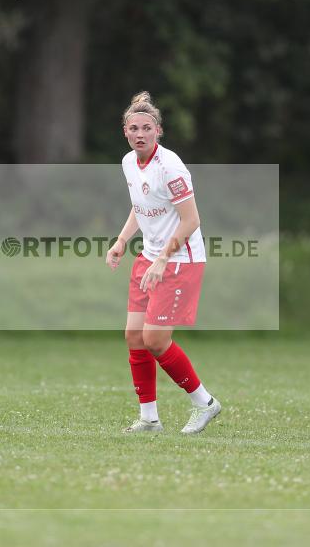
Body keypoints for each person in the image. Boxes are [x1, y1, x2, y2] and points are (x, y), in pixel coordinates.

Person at [105, 91, 221, 435]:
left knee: (155, 340)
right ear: (125, 132)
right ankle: (149, 418)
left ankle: (205, 403)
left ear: (158, 131)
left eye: (147, 128)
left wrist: (163, 259)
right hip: (150, 257)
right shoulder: (129, 162)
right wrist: (121, 240)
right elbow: (141, 206)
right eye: (134, 128)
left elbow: (191, 220)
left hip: (180, 259)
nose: (140, 134)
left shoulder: (170, 166)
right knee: (134, 336)